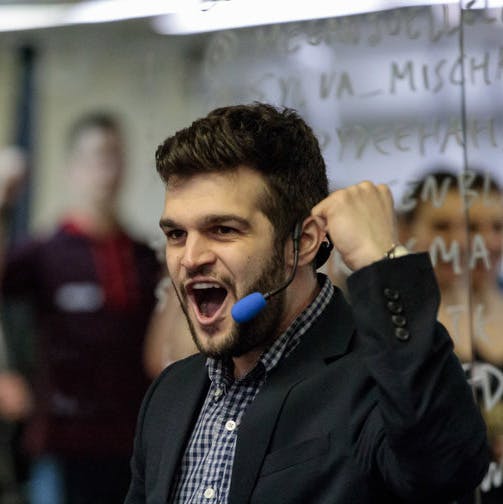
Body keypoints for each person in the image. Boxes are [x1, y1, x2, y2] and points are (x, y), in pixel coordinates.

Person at [125, 103, 489, 504]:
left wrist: (378, 258)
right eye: (176, 234)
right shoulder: (170, 395)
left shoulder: (375, 382)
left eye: (223, 229)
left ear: (306, 241)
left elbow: (447, 468)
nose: (191, 257)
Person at [0, 113, 160, 504]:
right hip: (62, 443)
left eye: (115, 157)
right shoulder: (46, 252)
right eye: (95, 157)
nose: (106, 169)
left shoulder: (143, 257)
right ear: (73, 169)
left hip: (130, 444)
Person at [398, 169, 503, 503]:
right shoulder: (395, 324)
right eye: (444, 227)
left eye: (497, 227)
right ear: (406, 231)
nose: (470, 242)